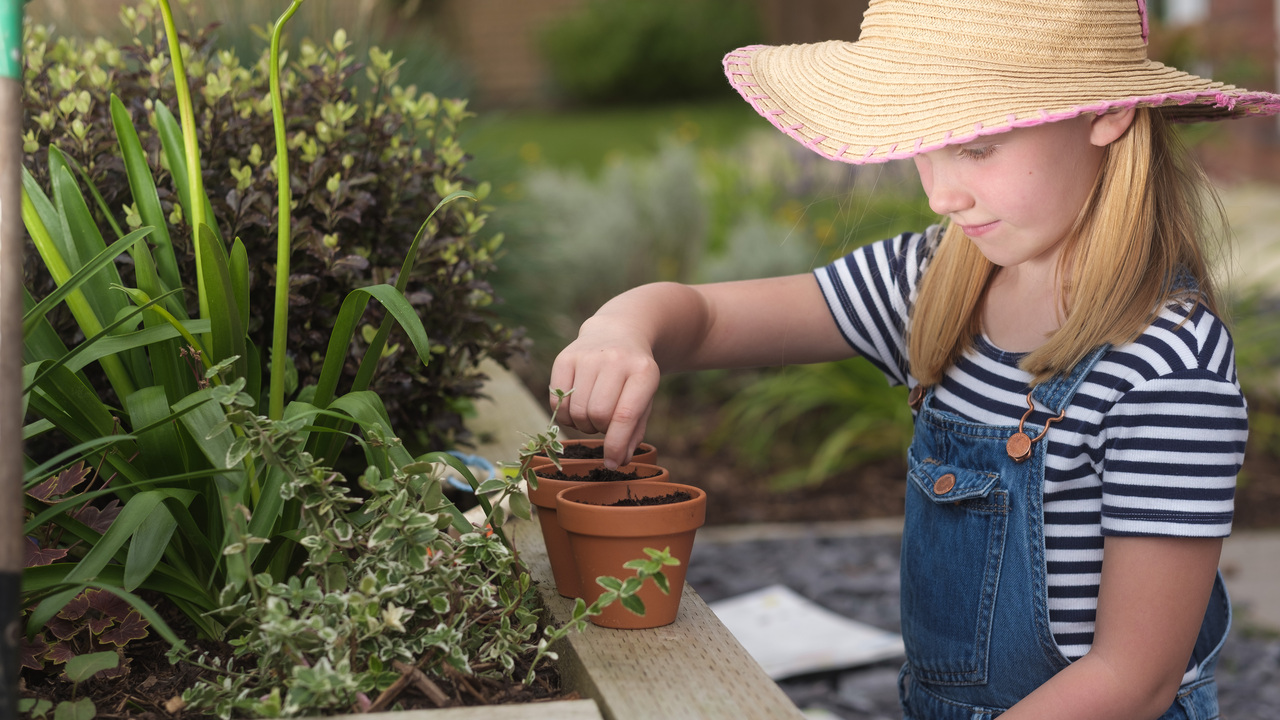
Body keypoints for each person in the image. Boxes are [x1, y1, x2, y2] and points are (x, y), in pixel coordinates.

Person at [547, 1, 1278, 718]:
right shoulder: (937, 282)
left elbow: (1133, 678)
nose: (940, 193)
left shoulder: (1166, 366)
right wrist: (622, 327)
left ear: (1106, 114)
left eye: (978, 146)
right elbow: (705, 321)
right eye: (924, 144)